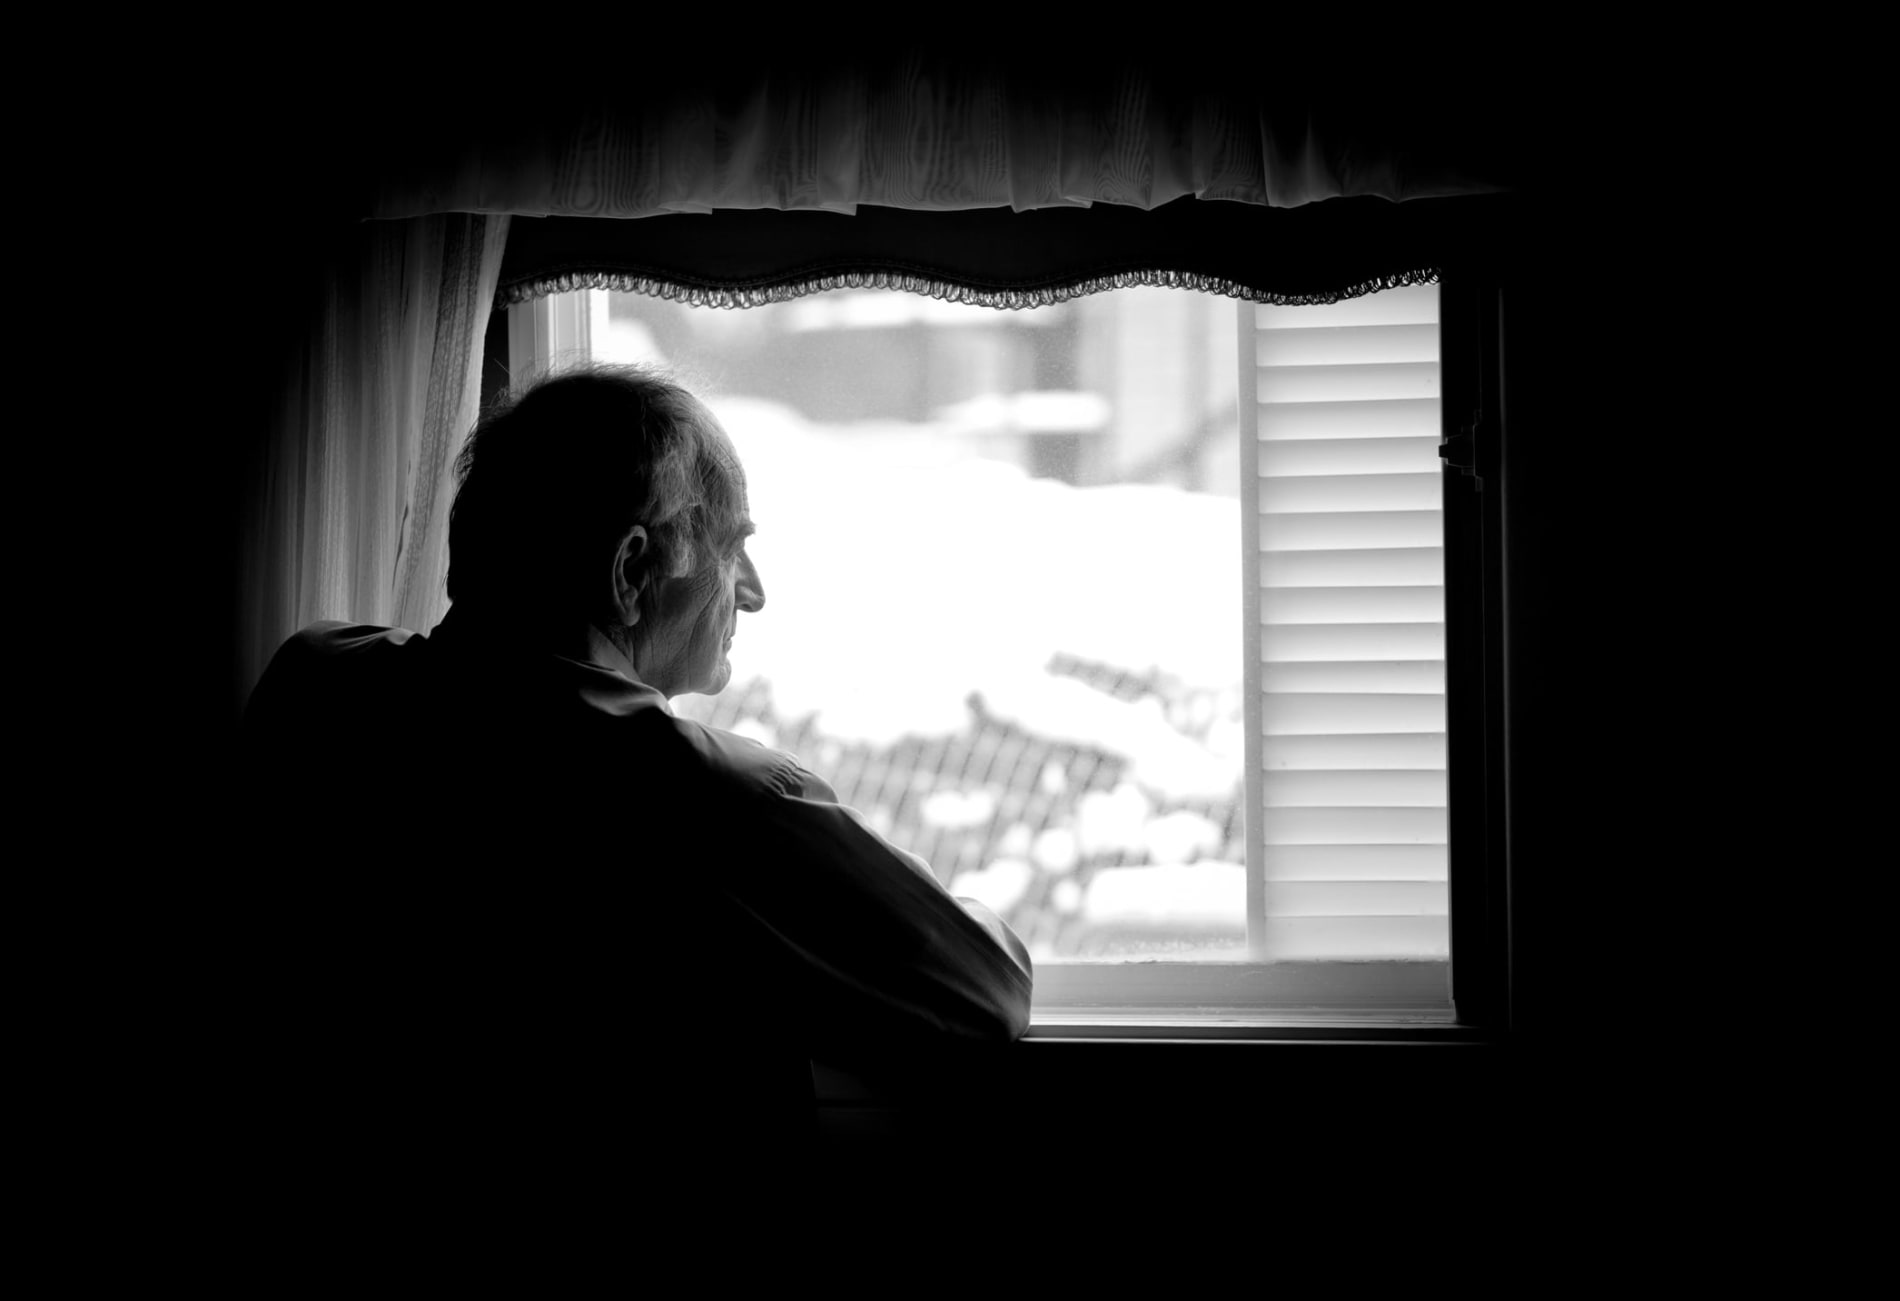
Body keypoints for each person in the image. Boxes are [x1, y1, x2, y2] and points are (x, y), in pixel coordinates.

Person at [240, 364, 1033, 1186]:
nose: (754, 594)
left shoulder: (313, 681)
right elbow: (981, 987)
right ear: (630, 572)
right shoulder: (700, 795)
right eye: (733, 550)